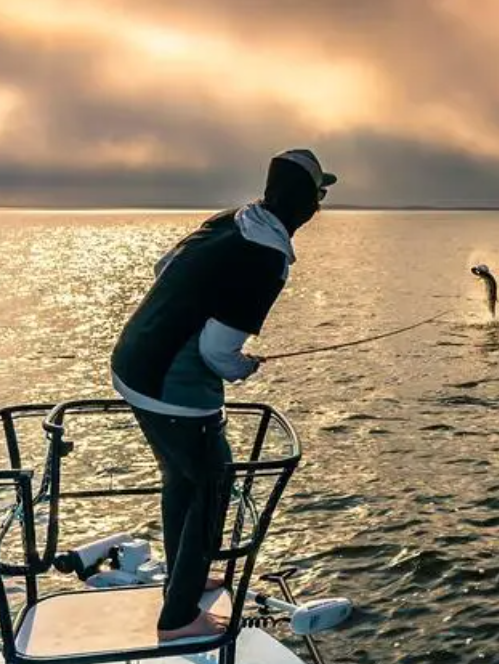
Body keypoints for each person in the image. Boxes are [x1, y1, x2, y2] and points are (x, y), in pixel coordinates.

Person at [110, 149, 336, 641]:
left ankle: (181, 584)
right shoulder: (267, 255)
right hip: (174, 389)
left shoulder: (231, 219)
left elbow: (162, 264)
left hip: (132, 363)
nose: (319, 205)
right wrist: (241, 367)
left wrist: (187, 313)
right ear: (306, 204)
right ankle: (178, 620)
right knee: (212, 487)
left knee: (182, 482)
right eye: (318, 195)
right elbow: (218, 351)